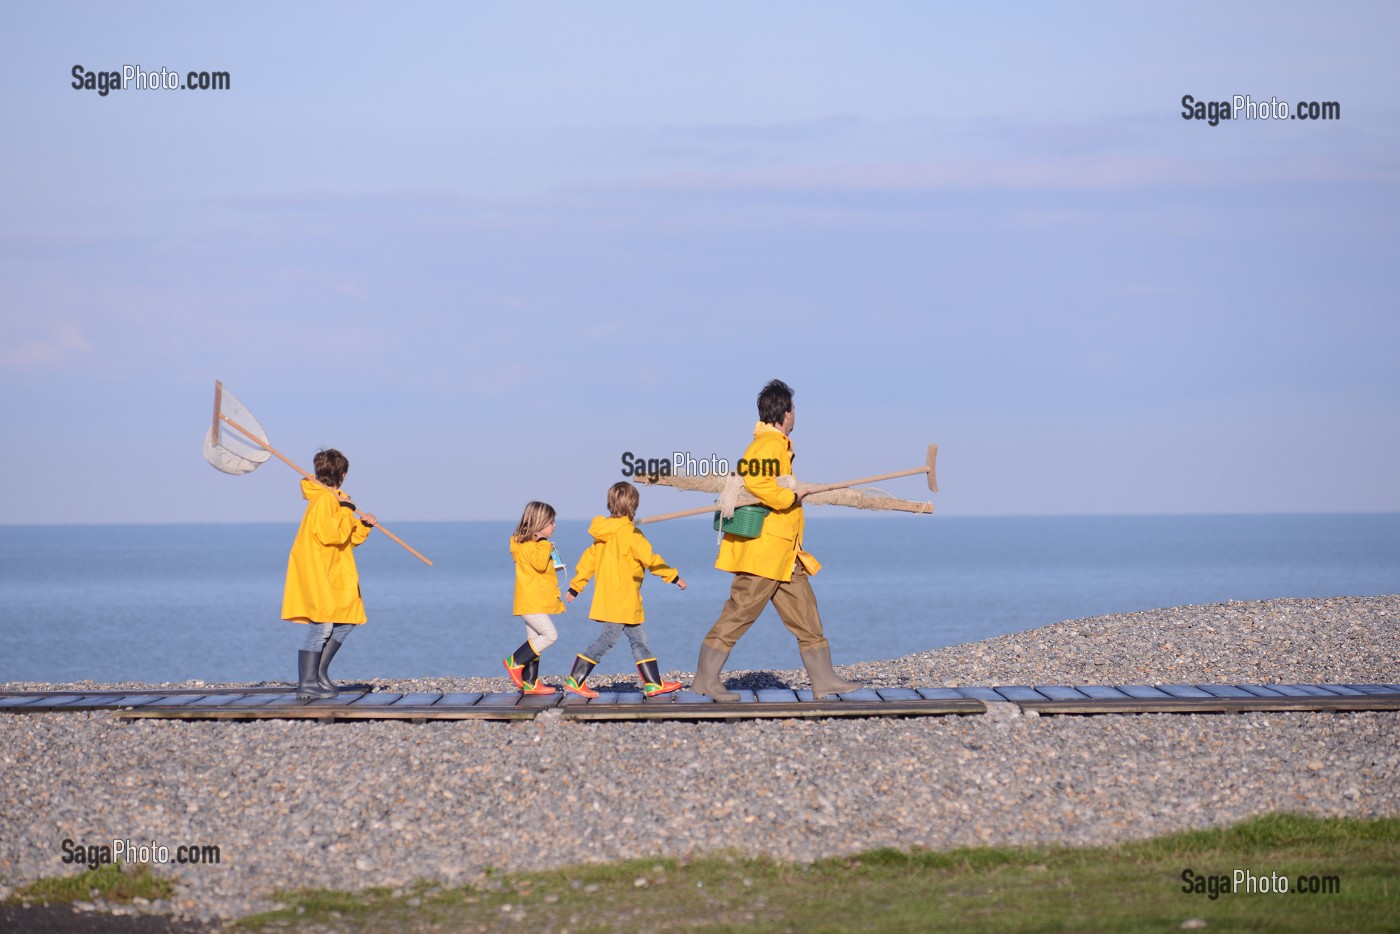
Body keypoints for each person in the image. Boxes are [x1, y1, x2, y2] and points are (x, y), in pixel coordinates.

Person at [691, 379, 866, 701]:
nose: (795, 413)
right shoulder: (769, 445)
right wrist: (790, 497)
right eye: (794, 408)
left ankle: (824, 680)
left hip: (784, 553)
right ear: (785, 412)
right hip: (765, 553)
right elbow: (758, 481)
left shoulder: (776, 444)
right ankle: (704, 680)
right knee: (740, 612)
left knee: (806, 615)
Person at [562, 482, 686, 698]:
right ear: (633, 506)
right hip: (622, 599)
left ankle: (653, 683)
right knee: (608, 640)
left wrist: (575, 587)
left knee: (639, 639)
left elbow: (587, 562)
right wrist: (673, 577)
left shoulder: (603, 534)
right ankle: (576, 679)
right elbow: (651, 560)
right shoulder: (631, 534)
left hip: (616, 599)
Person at [281, 449, 376, 700]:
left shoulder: (333, 499)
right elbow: (331, 535)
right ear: (342, 474)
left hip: (335, 570)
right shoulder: (325, 499)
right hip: (321, 573)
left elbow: (346, 539)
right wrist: (345, 510)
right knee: (322, 625)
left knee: (346, 621)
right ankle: (307, 683)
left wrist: (363, 525)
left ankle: (319, 675)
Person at [502, 501, 566, 695]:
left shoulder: (528, 544)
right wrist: (544, 542)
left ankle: (530, 682)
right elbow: (539, 564)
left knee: (534, 639)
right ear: (540, 523)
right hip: (531, 602)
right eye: (551, 522)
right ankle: (515, 661)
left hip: (531, 600)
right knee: (549, 635)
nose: (554, 526)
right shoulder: (531, 545)